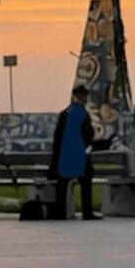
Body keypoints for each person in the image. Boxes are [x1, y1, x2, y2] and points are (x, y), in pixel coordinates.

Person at [49, 85, 98, 221]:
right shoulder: (81, 112)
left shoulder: (66, 112)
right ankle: (87, 212)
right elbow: (88, 134)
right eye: (85, 96)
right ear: (81, 96)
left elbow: (58, 136)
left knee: (63, 183)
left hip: (65, 155)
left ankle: (60, 212)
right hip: (79, 155)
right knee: (86, 180)